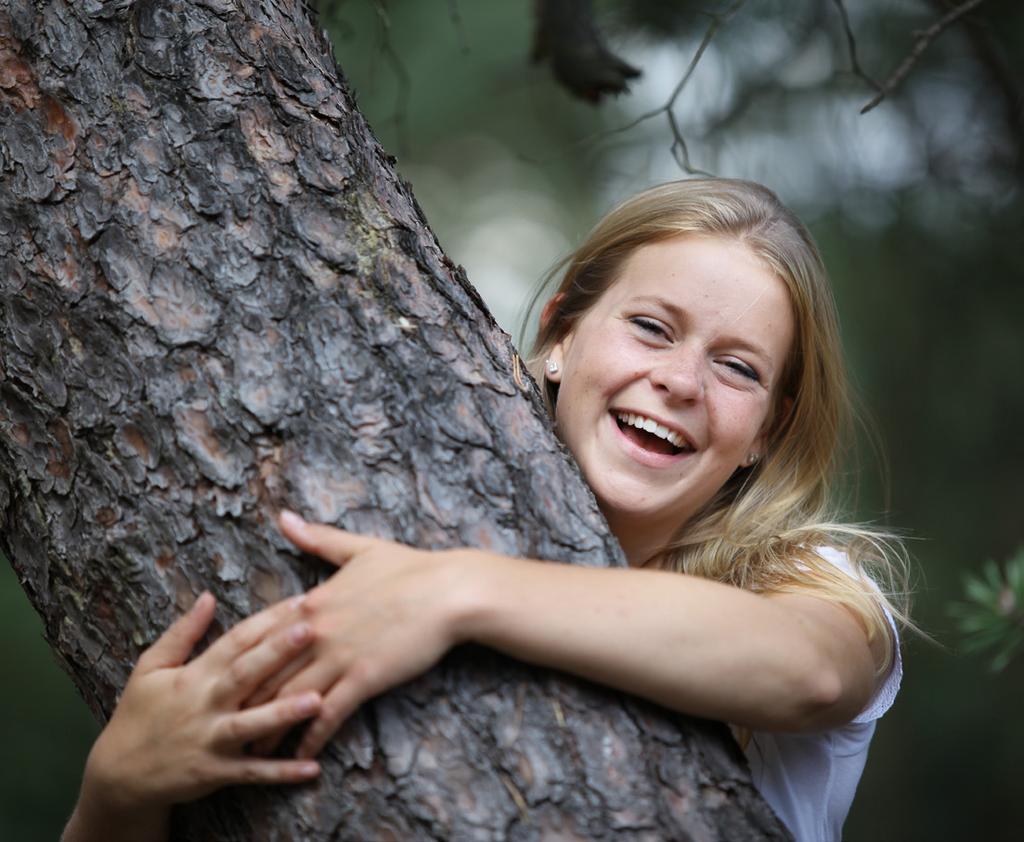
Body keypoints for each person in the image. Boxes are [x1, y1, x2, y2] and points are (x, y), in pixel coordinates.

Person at [63, 178, 909, 842]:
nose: (681, 383)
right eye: (652, 327)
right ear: (560, 336)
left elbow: (812, 672)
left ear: (768, 430)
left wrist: (458, 592)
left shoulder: (813, 586)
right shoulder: (417, 517)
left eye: (738, 369)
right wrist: (116, 790)